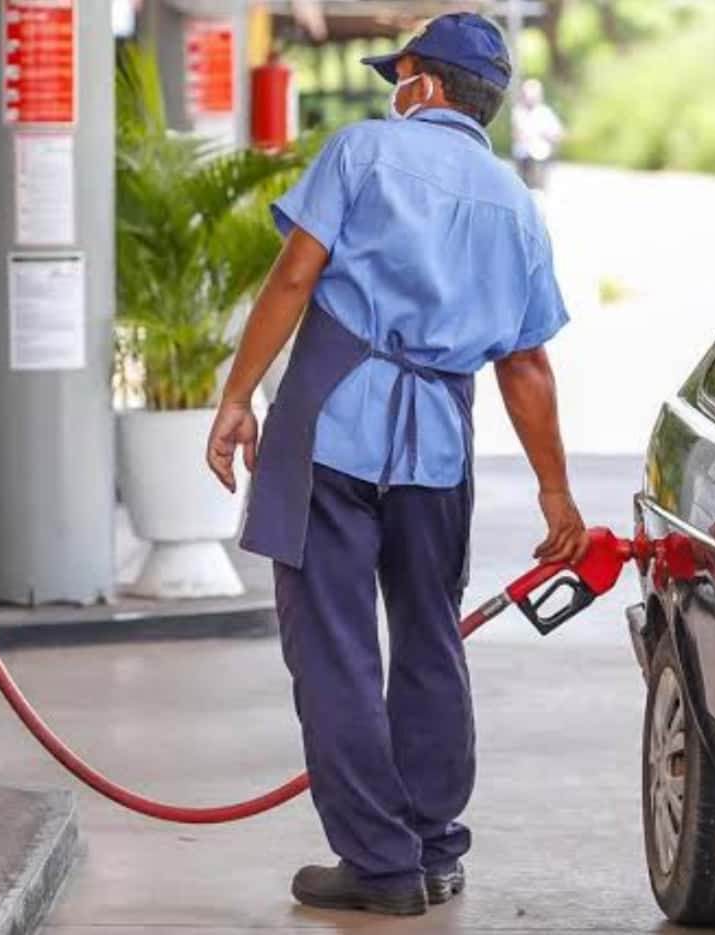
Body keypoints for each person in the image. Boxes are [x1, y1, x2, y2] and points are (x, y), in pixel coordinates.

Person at [206, 12, 587, 917]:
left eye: (397, 76)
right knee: (429, 638)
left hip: (333, 429)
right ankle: (432, 846)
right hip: (438, 443)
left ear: (420, 80)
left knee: (333, 645)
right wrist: (555, 490)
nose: (391, 90)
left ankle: (379, 862)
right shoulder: (513, 204)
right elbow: (526, 363)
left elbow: (297, 274)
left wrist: (236, 394)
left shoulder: (365, 152)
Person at [511, 78, 564, 191]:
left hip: (540, 155)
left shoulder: (545, 113)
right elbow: (516, 134)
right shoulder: (518, 111)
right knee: (522, 187)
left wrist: (547, 136)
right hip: (523, 155)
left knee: (538, 189)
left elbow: (557, 133)